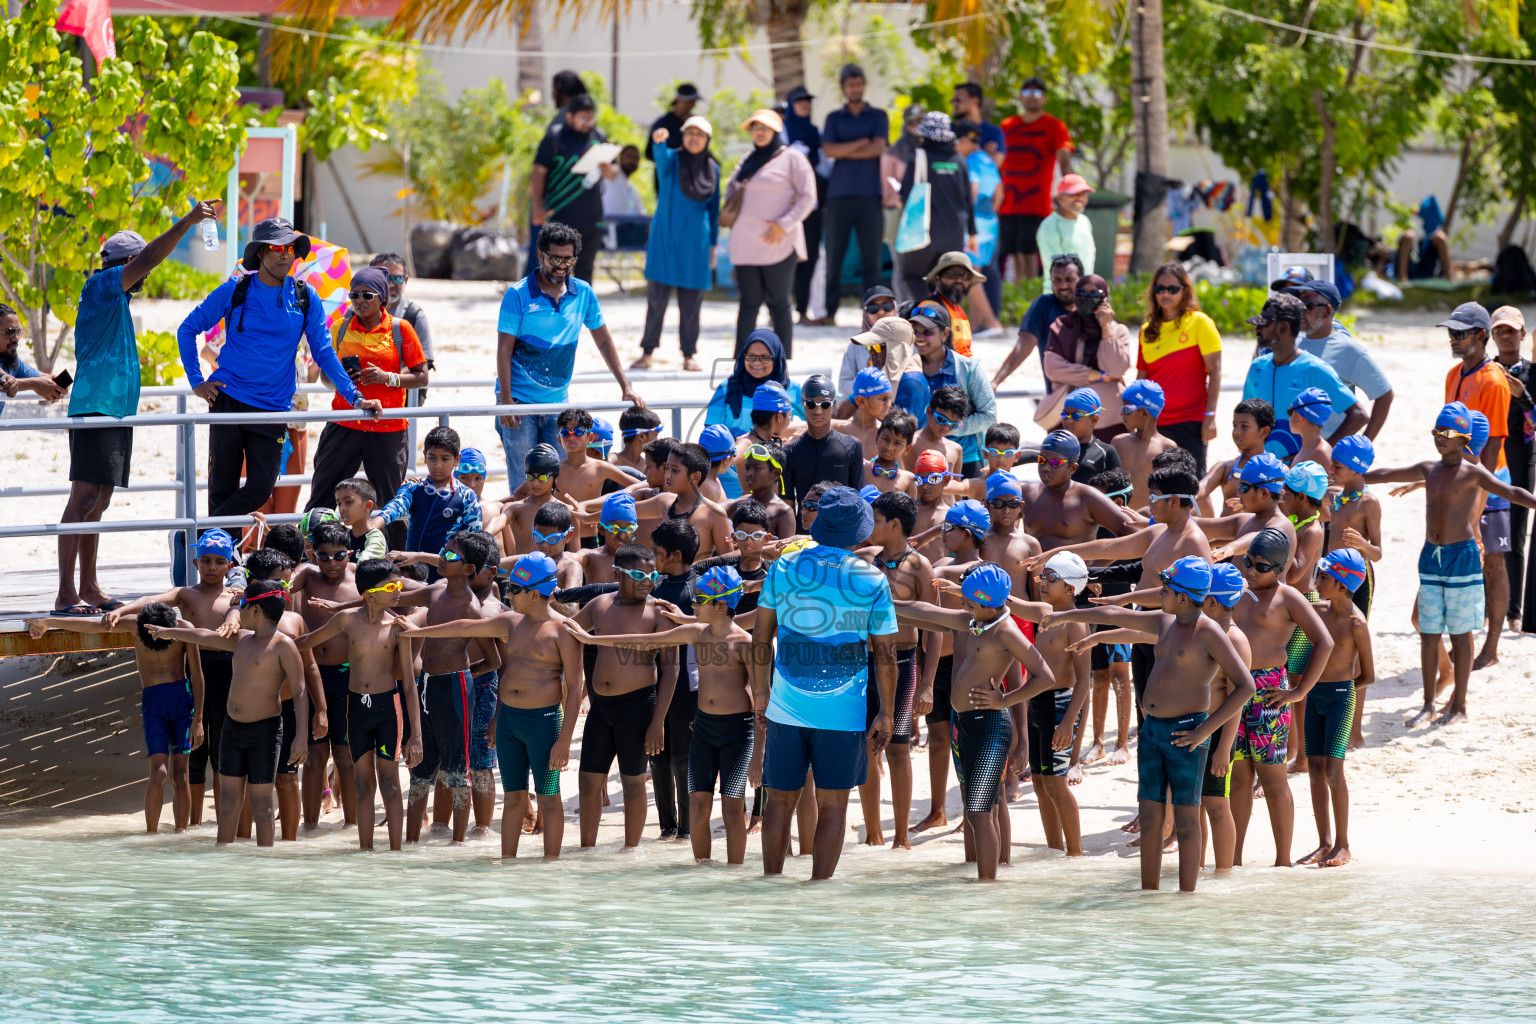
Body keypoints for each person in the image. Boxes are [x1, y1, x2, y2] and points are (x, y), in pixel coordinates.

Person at [1043, 556, 1256, 891]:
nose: (1160, 594)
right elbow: (1113, 615)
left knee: (1187, 818)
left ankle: (1187, 895)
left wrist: (1204, 731)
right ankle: (1149, 893)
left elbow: (1246, 687)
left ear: (1184, 597)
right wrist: (1067, 615)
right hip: (1152, 731)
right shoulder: (1165, 621)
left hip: (1187, 733)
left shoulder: (1210, 632)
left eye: (1166, 588)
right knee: (1151, 815)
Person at [56, 207, 219, 614]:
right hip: (96, 408)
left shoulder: (115, 298)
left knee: (99, 501)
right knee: (83, 498)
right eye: (139, 267)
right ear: (127, 264)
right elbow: (148, 259)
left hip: (112, 411)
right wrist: (187, 222)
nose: (145, 277)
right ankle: (65, 594)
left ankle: (89, 586)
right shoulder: (103, 285)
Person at [177, 218, 382, 538]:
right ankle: (220, 565)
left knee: (260, 489)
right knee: (222, 486)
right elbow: (188, 329)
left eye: (290, 248)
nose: (285, 255)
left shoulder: (305, 297)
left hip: (273, 407)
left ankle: (200, 537)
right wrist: (196, 380)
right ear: (259, 253)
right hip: (227, 398)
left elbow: (324, 353)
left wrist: (355, 395)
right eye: (276, 248)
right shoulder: (235, 290)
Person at [753, 486, 898, 880]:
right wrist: (886, 712)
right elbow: (885, 654)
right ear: (859, 532)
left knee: (779, 801)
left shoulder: (783, 568)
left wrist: (761, 693)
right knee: (833, 803)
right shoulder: (872, 580)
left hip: (785, 701)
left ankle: (771, 885)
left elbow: (761, 637)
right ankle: (818, 892)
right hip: (844, 709)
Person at [897, 563, 1055, 880]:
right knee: (978, 807)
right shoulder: (978, 623)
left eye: (970, 603)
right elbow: (926, 613)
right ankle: (988, 876)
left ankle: (987, 886)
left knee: (981, 812)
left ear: (986, 603)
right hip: (968, 724)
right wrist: (880, 604)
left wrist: (1005, 700)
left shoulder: (1007, 632)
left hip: (990, 727)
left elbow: (1045, 676)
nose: (965, 608)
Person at [146, 579, 306, 848]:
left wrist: (300, 736)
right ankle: (224, 859)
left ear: (255, 611)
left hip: (264, 732)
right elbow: (205, 636)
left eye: (242, 606)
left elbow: (300, 691)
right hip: (232, 730)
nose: (237, 612)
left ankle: (265, 861)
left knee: (262, 804)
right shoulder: (243, 640)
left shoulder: (283, 645)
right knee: (230, 801)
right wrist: (169, 631)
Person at [27, 603, 204, 834]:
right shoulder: (134, 624)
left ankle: (181, 834)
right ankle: (151, 837)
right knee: (159, 772)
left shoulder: (184, 628)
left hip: (182, 701)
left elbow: (198, 676)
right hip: (154, 703)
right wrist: (48, 622)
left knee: (180, 774)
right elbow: (93, 626)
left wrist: (198, 719)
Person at [495, 220, 644, 490]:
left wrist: (626, 386)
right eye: (555, 258)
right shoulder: (517, 294)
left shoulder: (583, 293)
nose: (562, 265)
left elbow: (603, 340)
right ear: (540, 255)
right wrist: (505, 399)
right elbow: (504, 348)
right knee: (524, 481)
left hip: (557, 403)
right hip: (517, 400)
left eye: (569, 259)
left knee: (557, 481)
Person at [297, 558, 422, 852]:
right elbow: (306, 642)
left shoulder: (398, 627)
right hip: (357, 710)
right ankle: (365, 852)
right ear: (367, 594)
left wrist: (414, 734)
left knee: (390, 784)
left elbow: (408, 684)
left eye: (399, 585)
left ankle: (394, 852)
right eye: (391, 586)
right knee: (364, 785)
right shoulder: (346, 620)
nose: (398, 591)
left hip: (387, 710)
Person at [304, 265, 428, 546]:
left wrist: (390, 378)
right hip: (343, 422)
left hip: (388, 428)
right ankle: (311, 554)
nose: (359, 301)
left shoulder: (401, 329)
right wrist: (341, 378)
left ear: (382, 298)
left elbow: (421, 376)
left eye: (367, 295)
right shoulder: (340, 327)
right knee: (322, 493)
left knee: (391, 499)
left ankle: (399, 561)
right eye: (354, 295)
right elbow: (325, 377)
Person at [1438, 302, 1514, 670]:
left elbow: (1494, 446)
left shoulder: (1494, 381)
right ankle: (1466, 642)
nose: (1453, 338)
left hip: (1490, 484)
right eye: (1451, 332)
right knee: (1464, 566)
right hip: (1459, 481)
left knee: (1493, 564)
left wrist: (1477, 502)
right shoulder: (1454, 374)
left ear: (1481, 336)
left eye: (1461, 333)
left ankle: (1492, 646)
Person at [1297, 548, 1373, 869]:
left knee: (1332, 770)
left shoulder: (1357, 623)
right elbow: (1297, 651)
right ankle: (1323, 842)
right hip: (1314, 698)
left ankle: (1343, 845)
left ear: (1342, 585)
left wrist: (1342, 693)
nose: (1317, 579)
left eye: (1324, 576)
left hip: (1341, 698)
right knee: (1313, 770)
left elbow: (1368, 675)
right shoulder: (1317, 609)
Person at [726, 109, 817, 356]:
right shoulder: (747, 159)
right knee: (748, 303)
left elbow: (808, 196)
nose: (760, 132)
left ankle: (783, 359)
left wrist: (784, 224)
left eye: (765, 128)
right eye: (756, 128)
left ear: (776, 131)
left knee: (779, 303)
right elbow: (731, 191)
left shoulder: (793, 158)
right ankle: (740, 361)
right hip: (746, 245)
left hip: (779, 242)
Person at [635, 115, 719, 373]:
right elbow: (659, 159)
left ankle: (689, 354)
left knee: (691, 301)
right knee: (657, 299)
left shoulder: (712, 168)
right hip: (665, 238)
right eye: (689, 132)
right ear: (683, 136)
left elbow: (714, 208)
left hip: (696, 241)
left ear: (707, 140)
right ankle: (647, 352)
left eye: (700, 134)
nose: (694, 138)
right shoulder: (671, 159)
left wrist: (713, 245)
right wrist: (659, 141)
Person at [819, 64, 889, 325]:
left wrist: (844, 148)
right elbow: (829, 151)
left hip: (871, 195)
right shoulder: (834, 118)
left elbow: (877, 148)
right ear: (843, 88)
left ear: (863, 85)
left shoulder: (878, 115)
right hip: (838, 196)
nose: (855, 88)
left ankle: (875, 316)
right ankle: (829, 312)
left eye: (859, 83)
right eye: (850, 85)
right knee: (833, 257)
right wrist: (862, 141)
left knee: (871, 259)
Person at [1136, 262, 1221, 475]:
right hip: (1155, 423)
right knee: (1158, 485)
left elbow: (1216, 372)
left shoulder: (1200, 323)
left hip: (1191, 421)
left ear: (1185, 290)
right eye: (1160, 289)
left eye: (1173, 289)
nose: (1166, 294)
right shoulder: (1146, 331)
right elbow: (1141, 379)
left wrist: (1210, 416)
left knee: (1195, 487)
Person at [530, 94, 617, 284]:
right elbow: (538, 173)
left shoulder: (599, 137)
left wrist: (608, 170)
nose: (588, 123)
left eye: (591, 118)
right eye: (583, 118)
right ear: (569, 117)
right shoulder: (555, 137)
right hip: (560, 218)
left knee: (585, 274)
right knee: (557, 272)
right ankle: (554, 312)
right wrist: (537, 207)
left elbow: (614, 172)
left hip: (591, 219)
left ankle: (582, 313)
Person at [1294, 280, 1393, 441]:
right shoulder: (1293, 343)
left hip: (1324, 455)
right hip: (1290, 451)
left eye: (1307, 306)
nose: (1300, 312)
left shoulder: (1349, 350)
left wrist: (1363, 444)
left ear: (1327, 311)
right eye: (1298, 306)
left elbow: (1384, 394)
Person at [1038, 273, 1133, 441]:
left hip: (1109, 419)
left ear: (1106, 298)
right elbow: (1053, 369)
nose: (1087, 299)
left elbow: (1117, 369)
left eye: (1095, 295)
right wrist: (1098, 376)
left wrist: (1106, 329)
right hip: (1067, 418)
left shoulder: (1118, 331)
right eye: (1081, 294)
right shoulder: (1061, 326)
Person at [908, 301, 997, 477]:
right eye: (915, 332)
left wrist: (949, 427)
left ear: (945, 333)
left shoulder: (967, 368)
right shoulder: (906, 367)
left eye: (927, 332)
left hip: (965, 457)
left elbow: (989, 415)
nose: (919, 337)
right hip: (917, 456)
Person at [997, 76, 1073, 281]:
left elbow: (1064, 156)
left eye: (1038, 93)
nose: (1032, 97)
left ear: (1045, 98)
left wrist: (1070, 189)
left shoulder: (1054, 126)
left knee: (1030, 251)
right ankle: (1017, 294)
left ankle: (1029, 294)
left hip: (1035, 203)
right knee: (1012, 251)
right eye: (1028, 92)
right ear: (1020, 97)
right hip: (1007, 202)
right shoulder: (1007, 125)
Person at [1489, 307, 1536, 633]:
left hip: (1521, 460)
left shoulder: (1534, 373)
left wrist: (1522, 396)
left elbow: (1535, 424)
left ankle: (1514, 612)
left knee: (1514, 536)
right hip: (1488, 461)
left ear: (1522, 334)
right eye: (1499, 331)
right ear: (1491, 336)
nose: (1506, 336)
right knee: (1482, 534)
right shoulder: (1484, 371)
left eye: (1511, 331)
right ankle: (1486, 608)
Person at [897, 113, 976, 304]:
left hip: (924, 231)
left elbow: (906, 194)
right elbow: (967, 200)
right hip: (955, 233)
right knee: (943, 280)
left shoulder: (917, 156)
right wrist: (972, 233)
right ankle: (942, 317)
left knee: (912, 275)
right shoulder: (959, 159)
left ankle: (929, 312)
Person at [783, 375, 864, 527]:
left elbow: (858, 499)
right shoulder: (789, 452)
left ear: (834, 405)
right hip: (804, 537)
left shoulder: (852, 446)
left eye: (825, 404)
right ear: (802, 404)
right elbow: (787, 506)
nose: (818, 410)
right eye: (811, 404)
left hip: (840, 535)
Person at [993, 253, 1081, 390]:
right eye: (1057, 280)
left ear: (1080, 281)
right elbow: (1022, 348)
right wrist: (996, 382)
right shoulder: (1044, 306)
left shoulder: (1090, 307)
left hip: (1096, 395)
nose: (1063, 285)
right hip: (1061, 399)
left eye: (1069, 279)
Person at [951, 120, 1004, 332]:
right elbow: (999, 194)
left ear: (964, 140)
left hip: (974, 228)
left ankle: (992, 323)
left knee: (969, 273)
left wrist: (966, 222)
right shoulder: (988, 161)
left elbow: (971, 193)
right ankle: (976, 325)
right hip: (990, 225)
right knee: (976, 273)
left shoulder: (970, 162)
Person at [782, 86, 827, 326]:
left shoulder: (814, 132)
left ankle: (801, 310)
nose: (804, 104)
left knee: (809, 257)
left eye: (807, 100)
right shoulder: (783, 131)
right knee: (783, 258)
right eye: (799, 100)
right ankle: (778, 309)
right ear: (791, 103)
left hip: (811, 205)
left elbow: (823, 167)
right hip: (786, 206)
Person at [369, 252, 434, 385]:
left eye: (397, 278)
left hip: (404, 400)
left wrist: (387, 378)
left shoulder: (414, 315)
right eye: (384, 278)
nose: (391, 284)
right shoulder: (353, 314)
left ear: (405, 280)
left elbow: (424, 366)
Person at [0, 304, 63, 416]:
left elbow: (41, 378)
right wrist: (34, 384)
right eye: (10, 332)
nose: (16, 338)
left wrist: (58, 383)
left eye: (17, 332)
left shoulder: (11, 361)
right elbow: (4, 383)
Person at [1035, 174, 1096, 273]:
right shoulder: (1050, 226)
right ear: (1060, 198)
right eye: (1073, 194)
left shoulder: (1084, 222)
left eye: (1083, 193)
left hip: (1085, 288)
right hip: (1060, 289)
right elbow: (1057, 269)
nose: (1080, 198)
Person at [645, 82, 702, 162]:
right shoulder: (662, 124)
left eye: (693, 102)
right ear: (678, 101)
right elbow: (650, 153)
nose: (690, 105)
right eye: (688, 102)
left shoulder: (695, 123)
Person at [950, 82, 1004, 161]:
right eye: (953, 100)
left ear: (975, 101)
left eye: (959, 99)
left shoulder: (993, 131)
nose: (954, 103)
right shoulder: (948, 129)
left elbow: (995, 163)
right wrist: (983, 153)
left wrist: (964, 150)